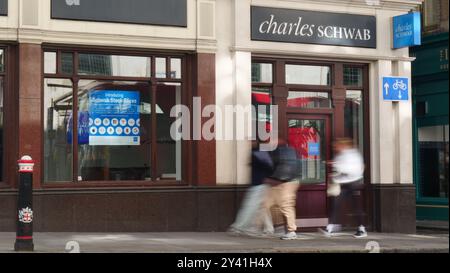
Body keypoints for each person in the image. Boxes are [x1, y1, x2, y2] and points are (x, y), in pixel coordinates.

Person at [320, 138, 367, 238]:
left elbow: (353, 169)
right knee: (336, 204)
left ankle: (362, 229)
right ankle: (330, 228)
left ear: (343, 145)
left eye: (336, 146)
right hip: (343, 183)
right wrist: (334, 175)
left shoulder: (353, 155)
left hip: (353, 183)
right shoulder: (340, 155)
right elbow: (339, 170)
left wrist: (336, 166)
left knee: (355, 206)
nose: (335, 148)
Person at [228, 141, 274, 236]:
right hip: (259, 183)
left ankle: (238, 227)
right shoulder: (255, 152)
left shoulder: (259, 153)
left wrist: (266, 177)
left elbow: (269, 166)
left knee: (249, 206)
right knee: (261, 207)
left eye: (252, 141)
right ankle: (269, 229)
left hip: (259, 184)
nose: (250, 143)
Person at [264, 139, 300, 240]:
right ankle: (279, 227)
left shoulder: (285, 151)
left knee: (286, 205)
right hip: (279, 182)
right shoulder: (279, 151)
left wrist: (273, 179)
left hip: (286, 182)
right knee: (268, 204)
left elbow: (286, 167)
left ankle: (291, 231)